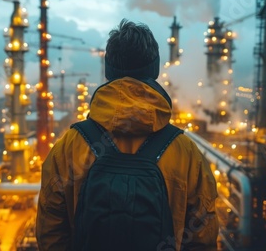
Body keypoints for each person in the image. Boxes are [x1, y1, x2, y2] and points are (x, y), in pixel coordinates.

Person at [36, 19, 219, 251]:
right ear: (155, 70)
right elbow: (202, 236)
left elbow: (49, 231)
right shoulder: (186, 152)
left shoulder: (70, 145)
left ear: (108, 70)